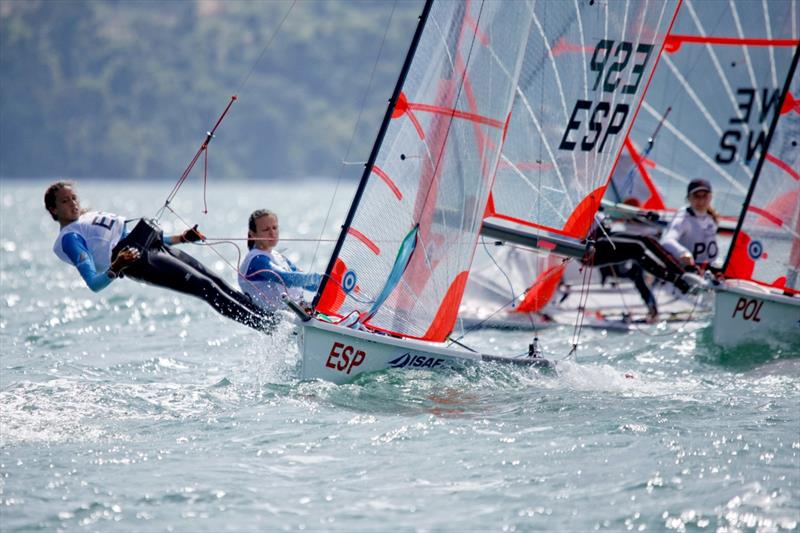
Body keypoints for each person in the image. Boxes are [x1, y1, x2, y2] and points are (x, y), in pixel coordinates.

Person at [45, 181, 273, 331]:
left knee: (217, 281)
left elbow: (133, 236)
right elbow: (94, 283)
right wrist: (116, 266)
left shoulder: (88, 218)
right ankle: (268, 328)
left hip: (152, 245)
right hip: (137, 261)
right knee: (206, 287)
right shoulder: (70, 237)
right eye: (65, 201)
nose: (73, 203)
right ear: (54, 210)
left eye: (74, 197)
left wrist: (182, 238)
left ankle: (272, 320)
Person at [585, 209, 699, 323]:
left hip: (604, 237)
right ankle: (678, 279)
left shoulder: (597, 207)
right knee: (638, 248)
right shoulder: (581, 211)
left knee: (644, 243)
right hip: (591, 249)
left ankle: (681, 275)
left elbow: (614, 213)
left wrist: (644, 215)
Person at [239, 209, 321, 313]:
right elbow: (285, 278)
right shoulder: (256, 260)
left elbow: (310, 285)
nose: (272, 233)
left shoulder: (278, 256)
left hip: (302, 311)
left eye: (274, 228)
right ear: (253, 234)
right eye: (266, 229)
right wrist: (316, 278)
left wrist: (332, 283)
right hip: (280, 317)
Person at [660, 178, 720, 274]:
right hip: (686, 273)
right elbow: (666, 241)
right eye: (696, 196)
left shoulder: (711, 218)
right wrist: (683, 253)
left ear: (710, 197)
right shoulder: (683, 218)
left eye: (704, 196)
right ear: (689, 198)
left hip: (707, 273)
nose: (701, 201)